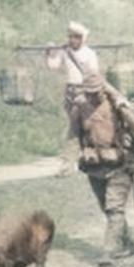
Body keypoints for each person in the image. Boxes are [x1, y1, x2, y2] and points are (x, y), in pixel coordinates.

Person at [74, 73, 134, 267]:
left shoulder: (117, 106)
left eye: (96, 92)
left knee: (114, 209)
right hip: (94, 167)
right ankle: (128, 244)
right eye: (88, 92)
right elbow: (74, 134)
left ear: (104, 89)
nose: (92, 96)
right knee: (107, 210)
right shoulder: (80, 108)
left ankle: (107, 253)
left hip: (119, 165)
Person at [46, 21, 101, 176]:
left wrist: (86, 94)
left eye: (76, 37)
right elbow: (53, 66)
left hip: (85, 92)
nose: (73, 40)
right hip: (70, 92)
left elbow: (93, 75)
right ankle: (74, 162)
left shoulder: (89, 53)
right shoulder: (65, 52)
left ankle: (71, 164)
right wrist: (50, 52)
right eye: (71, 37)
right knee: (75, 126)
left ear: (83, 38)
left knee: (78, 127)